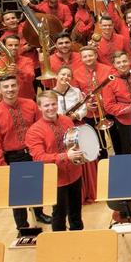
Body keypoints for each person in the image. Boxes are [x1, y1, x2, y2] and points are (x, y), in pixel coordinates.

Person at [0, 75, 52, 231]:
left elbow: (41, 128)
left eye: (13, 86)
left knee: (36, 186)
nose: (10, 90)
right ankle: (22, 226)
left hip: (33, 152)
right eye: (6, 87)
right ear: (0, 90)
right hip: (13, 157)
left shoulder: (30, 104)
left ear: (18, 86)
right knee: (18, 194)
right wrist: (1, 166)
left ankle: (39, 213)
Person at [25, 91, 84, 231]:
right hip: (56, 179)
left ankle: (79, 240)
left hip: (75, 174)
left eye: (53, 104)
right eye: (46, 105)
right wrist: (65, 156)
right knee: (59, 214)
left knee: (76, 213)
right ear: (39, 107)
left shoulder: (67, 120)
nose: (50, 108)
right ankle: (58, 245)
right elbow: (39, 157)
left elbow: (74, 143)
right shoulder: (34, 131)